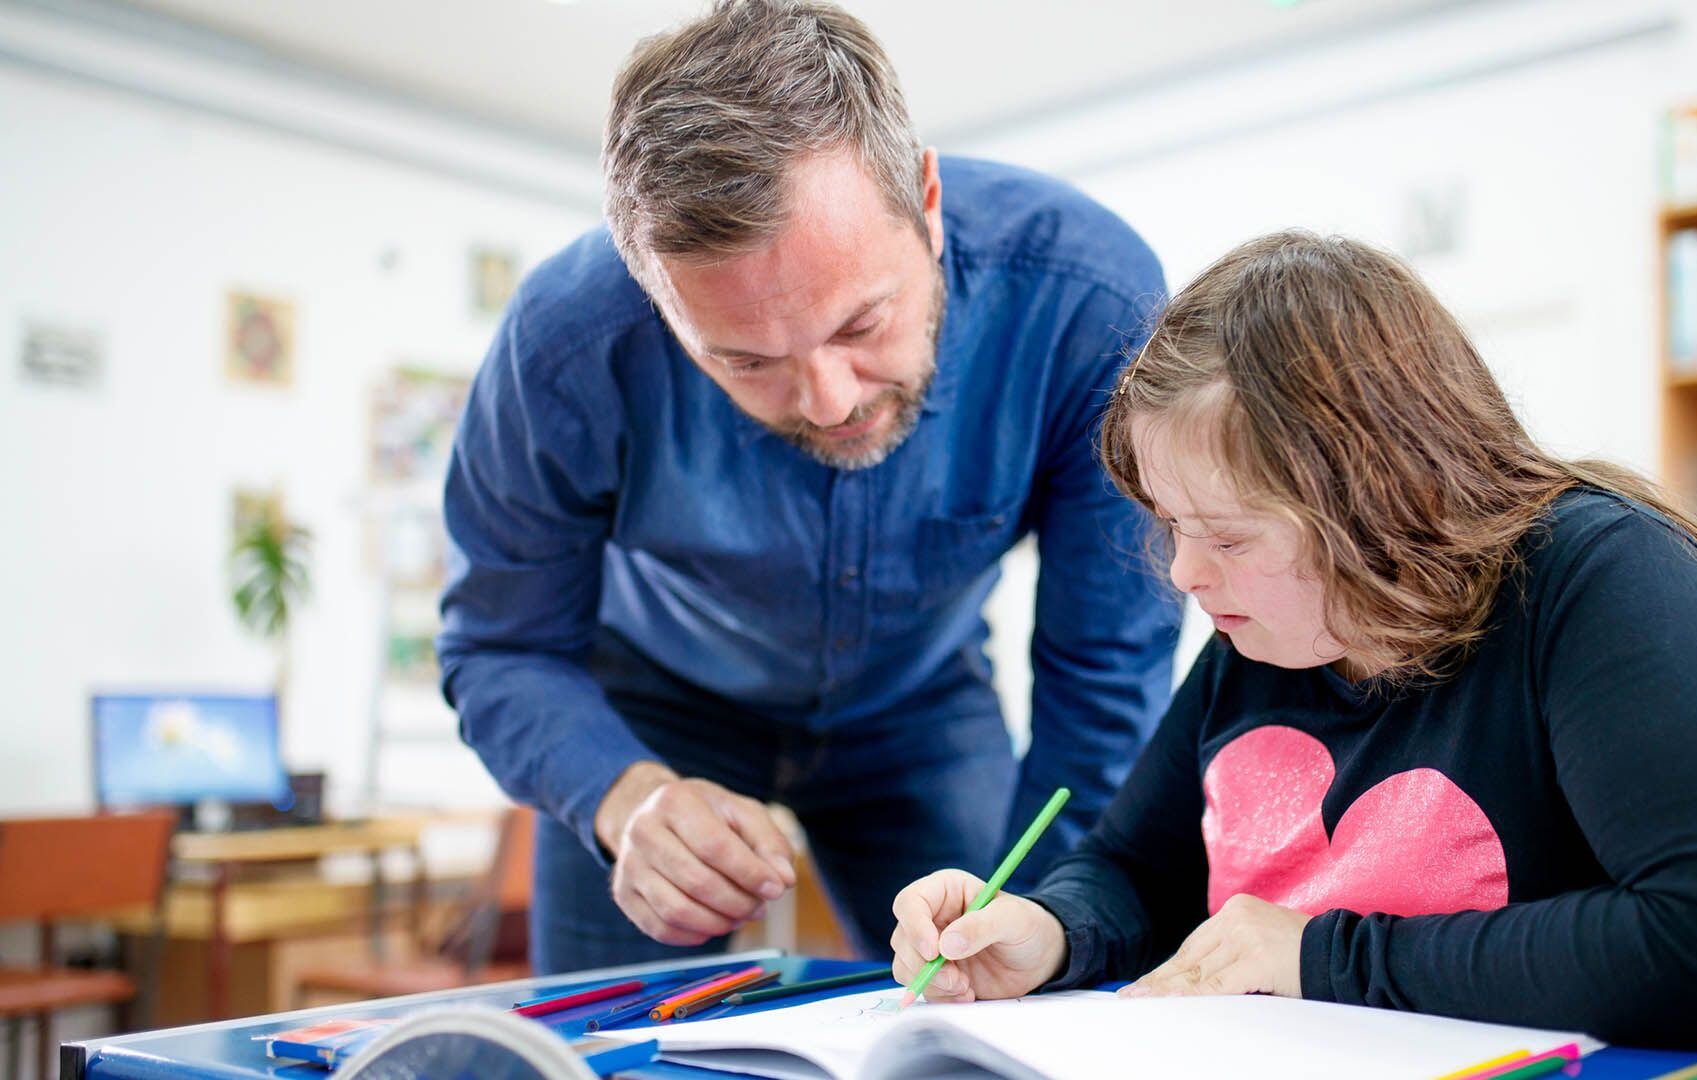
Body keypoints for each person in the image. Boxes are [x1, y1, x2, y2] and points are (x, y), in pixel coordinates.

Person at [887, 231, 1697, 1051]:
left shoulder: (1595, 583)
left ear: (1386, 499)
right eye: (1169, 525)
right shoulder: (1264, 637)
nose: (1183, 575)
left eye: (1226, 535)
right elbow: (1138, 868)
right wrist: (1050, 929)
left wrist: (1314, 956)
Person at [437, 0, 1182, 974]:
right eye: (745, 360)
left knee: (1005, 1015)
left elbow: (1107, 671)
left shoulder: (1090, 302)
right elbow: (501, 643)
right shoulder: (564, 344)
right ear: (648, 290)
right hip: (651, 714)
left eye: (861, 324)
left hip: (921, 705)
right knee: (598, 1050)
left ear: (925, 196)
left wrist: (1055, 925)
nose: (827, 402)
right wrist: (621, 796)